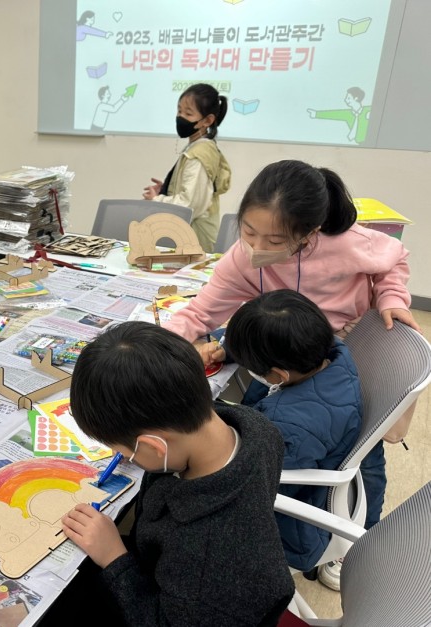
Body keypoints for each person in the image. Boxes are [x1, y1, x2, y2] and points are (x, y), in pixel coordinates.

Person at [47, 322, 294, 626]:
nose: (122, 457)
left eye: (124, 452)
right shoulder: (257, 429)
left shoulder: (204, 558)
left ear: (155, 446)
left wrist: (114, 557)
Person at [166, 159, 419, 350]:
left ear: (309, 234)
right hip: (284, 343)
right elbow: (200, 313)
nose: (257, 247)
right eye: (249, 231)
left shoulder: (347, 243)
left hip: (347, 340)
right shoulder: (239, 259)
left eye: (275, 240)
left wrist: (392, 298)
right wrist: (157, 343)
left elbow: (395, 259)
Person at [224, 290, 366, 581]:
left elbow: (253, 486)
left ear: (278, 375)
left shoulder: (290, 427)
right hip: (311, 468)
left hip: (292, 528)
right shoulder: (332, 352)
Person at [143, 83, 231, 252]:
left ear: (207, 120)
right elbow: (194, 192)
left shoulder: (199, 154)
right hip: (190, 240)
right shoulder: (198, 147)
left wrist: (157, 200)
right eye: (179, 111)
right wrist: (168, 190)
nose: (180, 117)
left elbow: (189, 206)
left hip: (196, 242)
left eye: (188, 113)